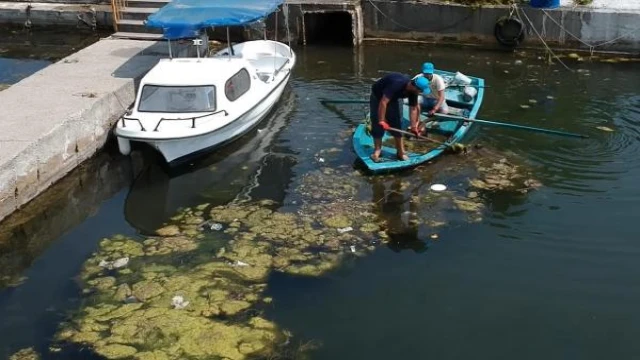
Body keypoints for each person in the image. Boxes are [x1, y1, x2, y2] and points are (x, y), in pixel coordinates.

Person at [369, 73, 430, 162]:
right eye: (420, 91)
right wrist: (382, 120)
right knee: (377, 124)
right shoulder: (396, 84)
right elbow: (383, 102)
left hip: (394, 99)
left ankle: (400, 152)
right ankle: (377, 151)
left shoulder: (413, 92)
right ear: (415, 87)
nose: (420, 93)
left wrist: (413, 127)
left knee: (396, 124)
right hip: (378, 97)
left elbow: (413, 108)